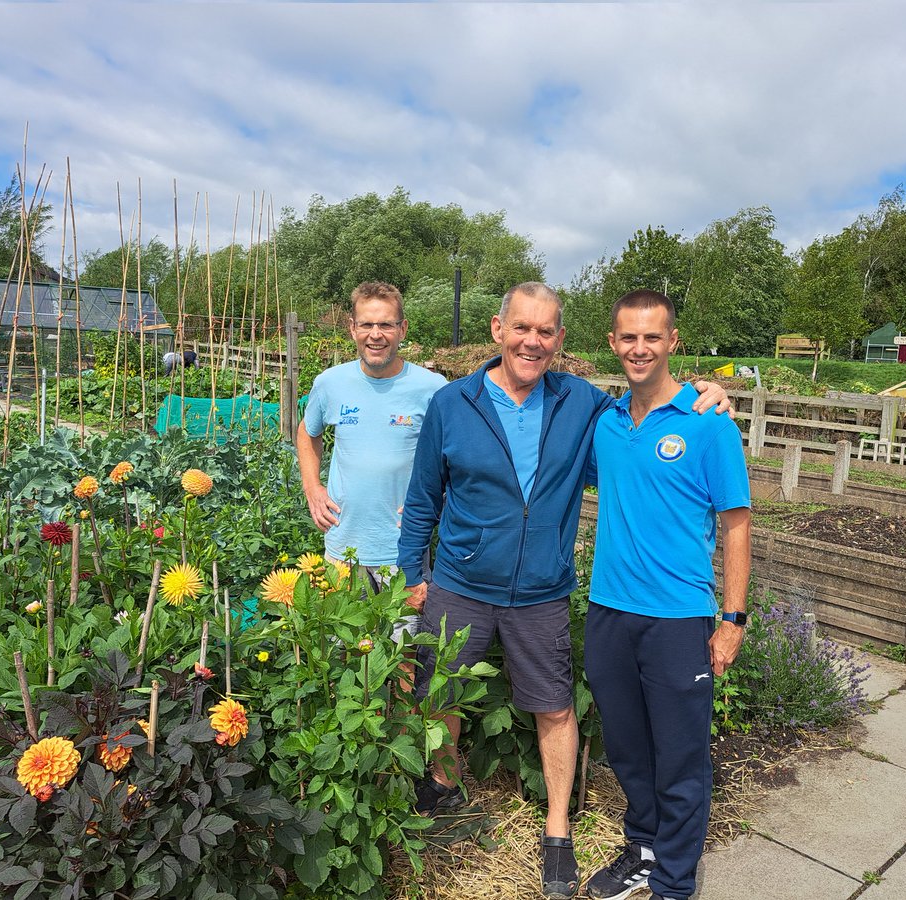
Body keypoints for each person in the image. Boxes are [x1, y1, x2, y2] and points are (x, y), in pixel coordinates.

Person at [397, 282, 731, 900]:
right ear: (498, 330)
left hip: (542, 591)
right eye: (521, 328)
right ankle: (441, 786)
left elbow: (646, 431)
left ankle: (557, 831)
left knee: (553, 705)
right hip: (460, 583)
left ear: (562, 340)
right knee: (437, 691)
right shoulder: (453, 403)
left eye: (546, 331)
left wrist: (704, 396)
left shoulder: (581, 405)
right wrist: (410, 577)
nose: (532, 341)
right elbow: (422, 499)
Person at [583, 289, 751, 900]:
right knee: (628, 750)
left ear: (672, 342)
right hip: (608, 613)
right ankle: (645, 850)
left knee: (680, 761)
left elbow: (736, 525)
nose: (639, 348)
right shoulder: (606, 423)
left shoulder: (708, 426)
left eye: (652, 337)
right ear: (612, 344)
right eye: (628, 337)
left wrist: (731, 620)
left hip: (678, 619)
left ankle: (674, 885)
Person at [297, 281, 446, 634]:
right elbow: (307, 432)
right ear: (352, 329)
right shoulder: (331, 383)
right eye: (366, 324)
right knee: (344, 653)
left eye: (386, 325)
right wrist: (312, 488)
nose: (375, 335)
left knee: (403, 656)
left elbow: (454, 456)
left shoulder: (432, 388)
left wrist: (440, 500)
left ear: (402, 329)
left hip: (404, 553)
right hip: (342, 547)